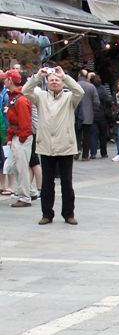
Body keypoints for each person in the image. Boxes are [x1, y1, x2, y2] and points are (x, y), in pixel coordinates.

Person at [22, 65, 84, 225]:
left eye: (57, 80)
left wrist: (65, 76)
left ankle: (68, 214)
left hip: (65, 146)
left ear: (62, 83)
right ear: (47, 82)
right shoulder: (41, 96)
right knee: (47, 184)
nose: (54, 82)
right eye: (51, 80)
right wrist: (38, 76)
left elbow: (80, 91)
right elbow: (26, 91)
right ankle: (47, 214)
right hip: (46, 146)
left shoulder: (69, 97)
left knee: (67, 183)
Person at [3, 70, 33, 208]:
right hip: (18, 135)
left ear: (10, 80)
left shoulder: (19, 99)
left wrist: (20, 138)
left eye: (6, 79)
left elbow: (24, 122)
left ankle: (25, 196)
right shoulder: (16, 97)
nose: (4, 81)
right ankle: (28, 191)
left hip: (20, 136)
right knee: (17, 166)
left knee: (20, 167)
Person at [77, 71, 100, 160]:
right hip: (88, 115)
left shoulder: (74, 85)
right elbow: (96, 102)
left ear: (79, 75)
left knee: (76, 134)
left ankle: (77, 149)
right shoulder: (91, 86)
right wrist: (93, 110)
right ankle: (85, 155)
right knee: (87, 136)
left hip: (75, 115)